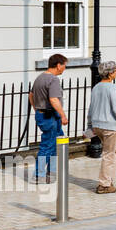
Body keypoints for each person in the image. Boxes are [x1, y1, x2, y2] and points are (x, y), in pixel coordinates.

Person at [88, 61, 116, 194]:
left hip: (97, 125)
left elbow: (91, 108)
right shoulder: (113, 89)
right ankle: (104, 185)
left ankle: (108, 179)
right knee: (109, 154)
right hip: (110, 127)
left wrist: (90, 126)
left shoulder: (96, 88)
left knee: (115, 150)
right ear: (111, 73)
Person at [29, 53, 69, 181]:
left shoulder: (40, 77)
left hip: (43, 115)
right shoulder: (53, 79)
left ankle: (51, 173)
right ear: (58, 65)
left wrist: (37, 109)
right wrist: (63, 115)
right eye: (64, 66)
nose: (64, 68)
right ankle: (38, 175)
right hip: (50, 117)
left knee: (55, 144)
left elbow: (31, 95)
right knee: (48, 145)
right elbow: (53, 99)